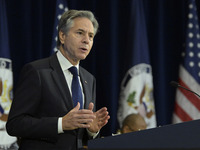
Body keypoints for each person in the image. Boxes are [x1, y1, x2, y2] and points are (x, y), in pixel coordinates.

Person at [6, 10, 110, 150]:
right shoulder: (37, 71)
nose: (86, 40)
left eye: (91, 36)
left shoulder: (89, 79)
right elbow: (15, 124)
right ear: (62, 36)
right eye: (80, 33)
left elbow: (78, 136)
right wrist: (60, 124)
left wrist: (92, 130)